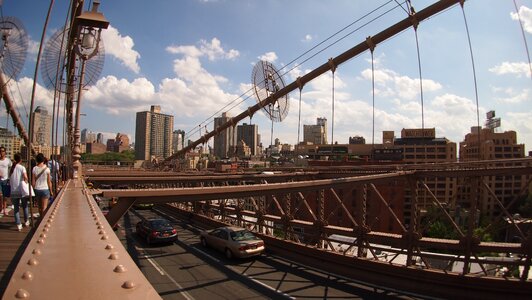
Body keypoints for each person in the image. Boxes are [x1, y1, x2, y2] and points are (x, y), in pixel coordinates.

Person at [9, 153, 29, 231]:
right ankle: (26, 221)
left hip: (13, 191)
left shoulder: (11, 168)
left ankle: (18, 224)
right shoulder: (22, 167)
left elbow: (10, 179)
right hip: (21, 191)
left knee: (16, 209)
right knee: (25, 206)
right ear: (20, 160)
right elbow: (25, 178)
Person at [32, 153, 52, 220]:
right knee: (44, 207)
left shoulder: (34, 169)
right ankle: (43, 220)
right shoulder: (47, 169)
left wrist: (33, 189)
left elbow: (33, 181)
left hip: (37, 189)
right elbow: (49, 182)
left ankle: (41, 218)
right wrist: (51, 191)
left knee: (39, 207)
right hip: (45, 189)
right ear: (43, 160)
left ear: (37, 160)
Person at [0, 146, 12, 216]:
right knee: (0, 195)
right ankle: (1, 207)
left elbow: (11, 168)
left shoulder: (8, 160)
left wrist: (10, 177)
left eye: (3, 151)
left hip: (5, 180)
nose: (1, 153)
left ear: (5, 152)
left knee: (5, 196)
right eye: (0, 151)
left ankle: (4, 209)